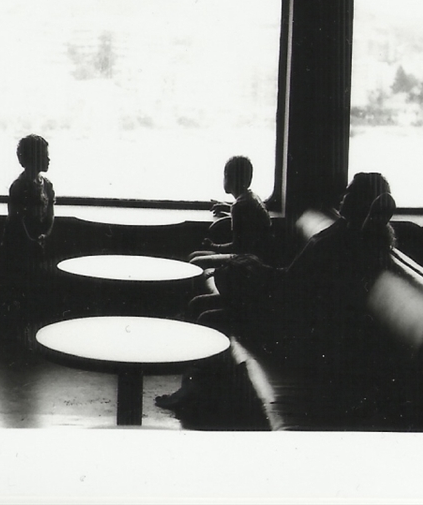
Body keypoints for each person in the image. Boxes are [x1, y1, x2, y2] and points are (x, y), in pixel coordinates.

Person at [158, 173, 397, 419]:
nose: (343, 197)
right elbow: (297, 278)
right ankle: (192, 388)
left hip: (295, 327)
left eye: (350, 193)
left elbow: (305, 291)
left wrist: (260, 274)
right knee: (200, 303)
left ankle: (198, 395)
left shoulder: (352, 241)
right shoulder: (343, 229)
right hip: (287, 305)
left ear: (361, 203)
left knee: (211, 316)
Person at [2, 134, 56, 331]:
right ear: (33, 158)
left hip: (38, 242)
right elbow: (16, 218)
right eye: (45, 155)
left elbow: (50, 214)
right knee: (20, 283)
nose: (49, 160)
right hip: (18, 243)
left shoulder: (48, 185)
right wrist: (30, 240)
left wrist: (44, 236)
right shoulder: (19, 186)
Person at [190, 155, 271, 259]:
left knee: (195, 260)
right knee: (194, 255)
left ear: (229, 178)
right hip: (258, 255)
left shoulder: (238, 206)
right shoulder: (252, 198)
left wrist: (213, 246)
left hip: (247, 259)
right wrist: (228, 207)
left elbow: (238, 247)